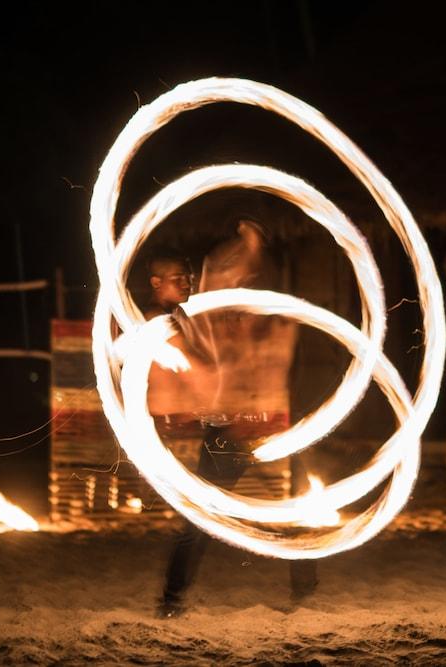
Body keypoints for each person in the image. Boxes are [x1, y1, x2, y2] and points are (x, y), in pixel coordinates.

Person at [149, 223, 318, 619]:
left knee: (293, 513)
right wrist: (251, 246)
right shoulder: (222, 330)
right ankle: (172, 599)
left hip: (273, 432)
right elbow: (216, 272)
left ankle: (306, 594)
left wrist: (253, 248)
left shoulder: (276, 325)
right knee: (201, 519)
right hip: (232, 436)